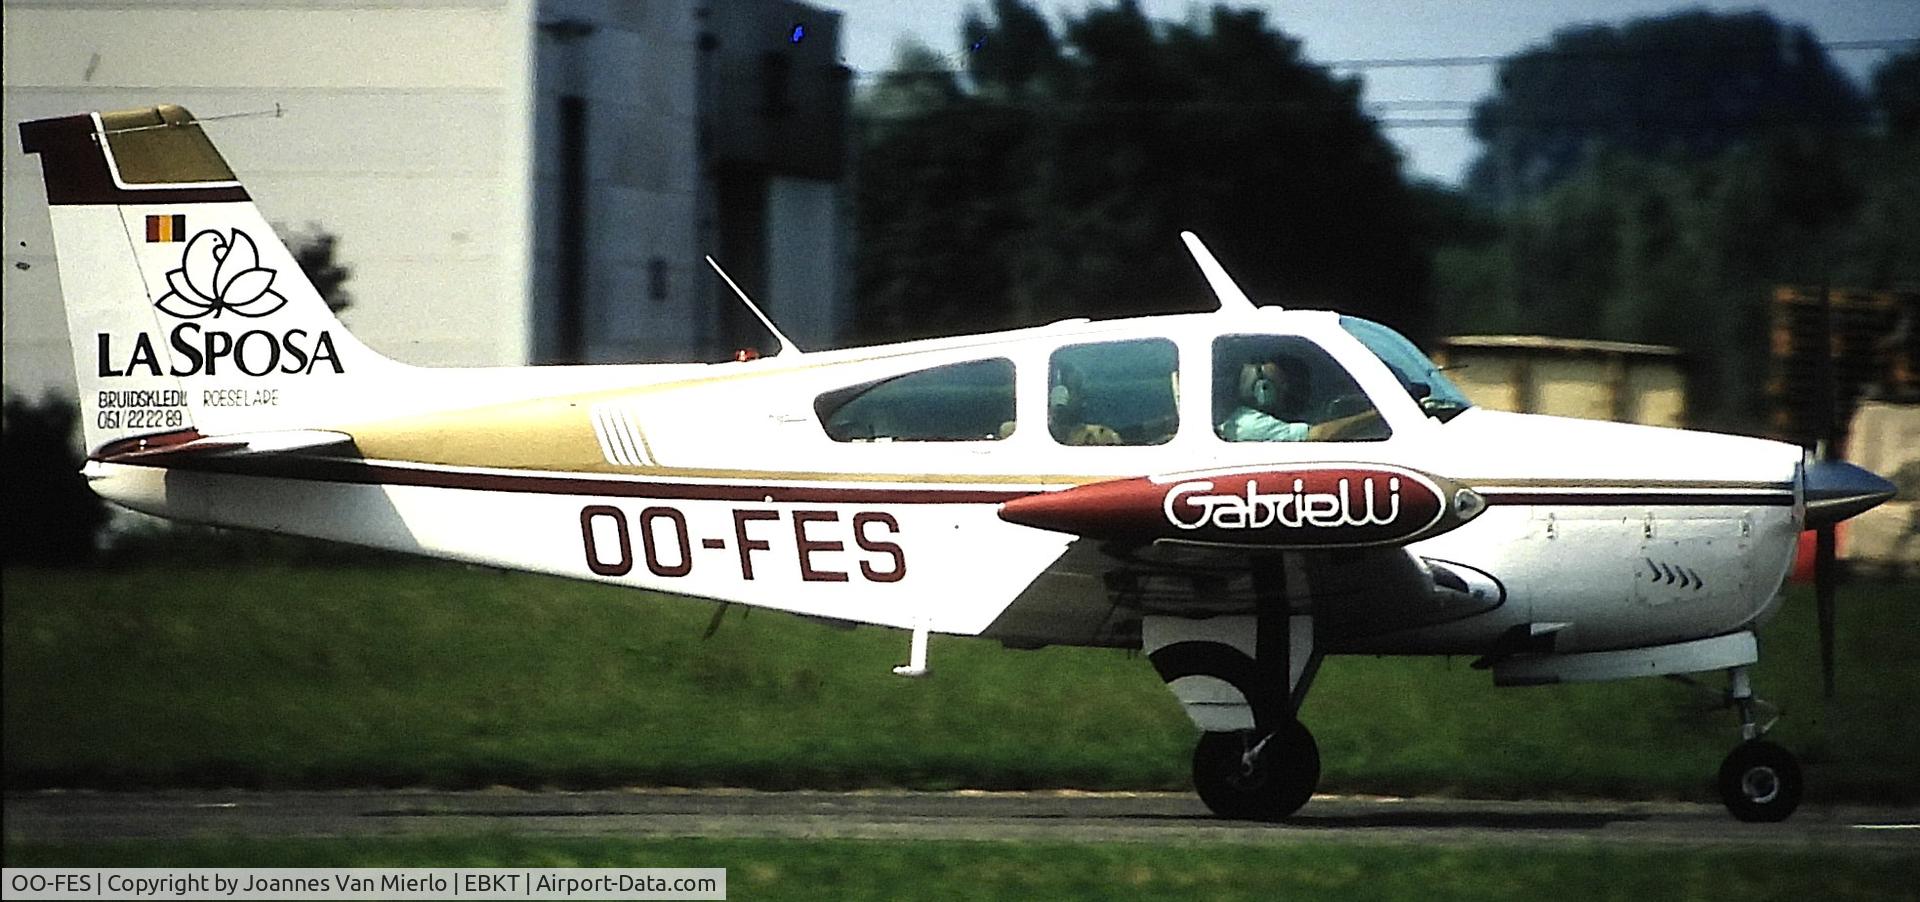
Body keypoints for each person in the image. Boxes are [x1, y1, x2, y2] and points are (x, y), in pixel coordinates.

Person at [1218, 357, 1310, 442]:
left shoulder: (1238, 418)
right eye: (1279, 386)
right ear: (1264, 389)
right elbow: (1316, 435)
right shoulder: (1250, 424)